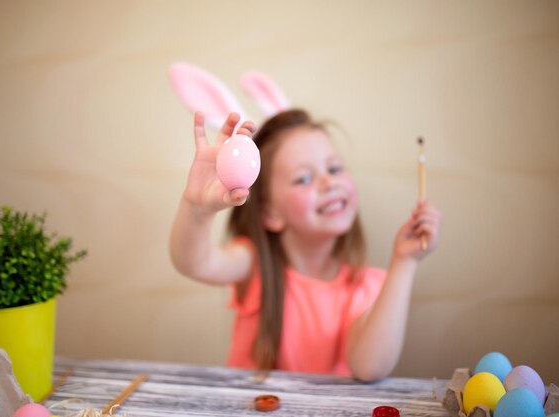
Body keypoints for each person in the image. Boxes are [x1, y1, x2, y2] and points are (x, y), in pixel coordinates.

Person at [169, 108, 441, 381]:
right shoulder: (254, 264)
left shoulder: (369, 286)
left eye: (334, 168)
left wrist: (405, 263)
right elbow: (192, 262)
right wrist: (196, 207)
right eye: (304, 178)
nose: (329, 182)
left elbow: (369, 366)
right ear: (270, 214)